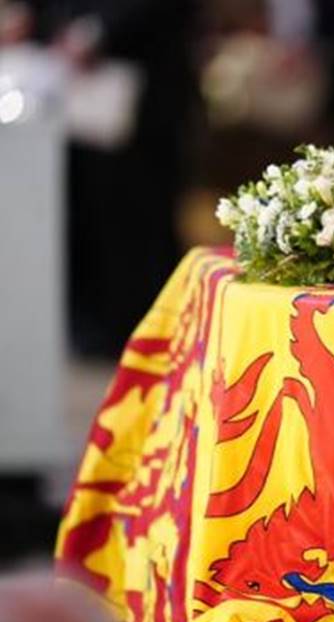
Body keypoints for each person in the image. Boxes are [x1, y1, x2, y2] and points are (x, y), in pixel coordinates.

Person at [2, 0, 196, 358]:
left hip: (141, 100)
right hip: (68, 97)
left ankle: (152, 332)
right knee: (77, 215)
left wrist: (95, 33)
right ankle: (89, 329)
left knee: (137, 221)